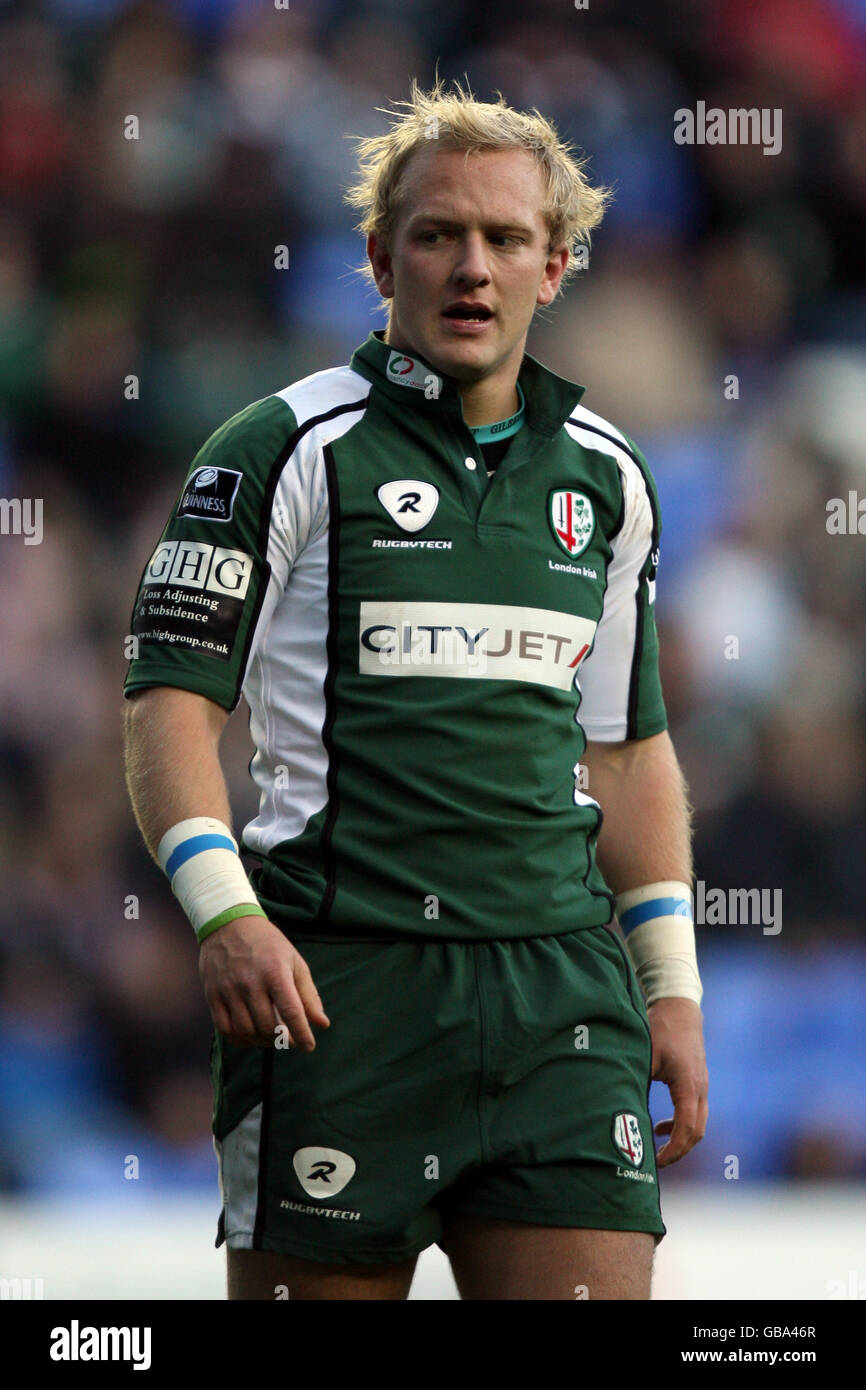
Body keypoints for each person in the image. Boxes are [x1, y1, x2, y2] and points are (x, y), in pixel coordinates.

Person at [122, 77, 708, 1301]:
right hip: (344, 995)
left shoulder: (610, 481)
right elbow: (169, 708)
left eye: (505, 239)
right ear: (379, 258)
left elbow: (626, 752)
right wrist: (224, 913)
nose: (470, 268)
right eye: (437, 234)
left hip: (559, 995)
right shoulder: (278, 448)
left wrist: (670, 986)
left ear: (555, 268)